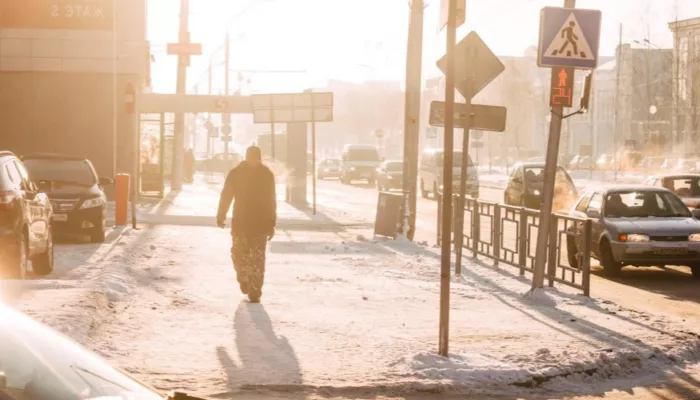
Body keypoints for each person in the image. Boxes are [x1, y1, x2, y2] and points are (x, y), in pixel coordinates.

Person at [216, 145, 276, 303]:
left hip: (260, 224)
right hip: (240, 224)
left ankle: (255, 290)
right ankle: (243, 279)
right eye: (252, 158)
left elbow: (271, 199)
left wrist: (272, 223)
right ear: (247, 157)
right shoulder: (236, 173)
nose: (254, 161)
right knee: (239, 255)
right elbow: (227, 194)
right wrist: (221, 214)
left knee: (257, 258)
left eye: (256, 159)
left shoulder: (266, 175)